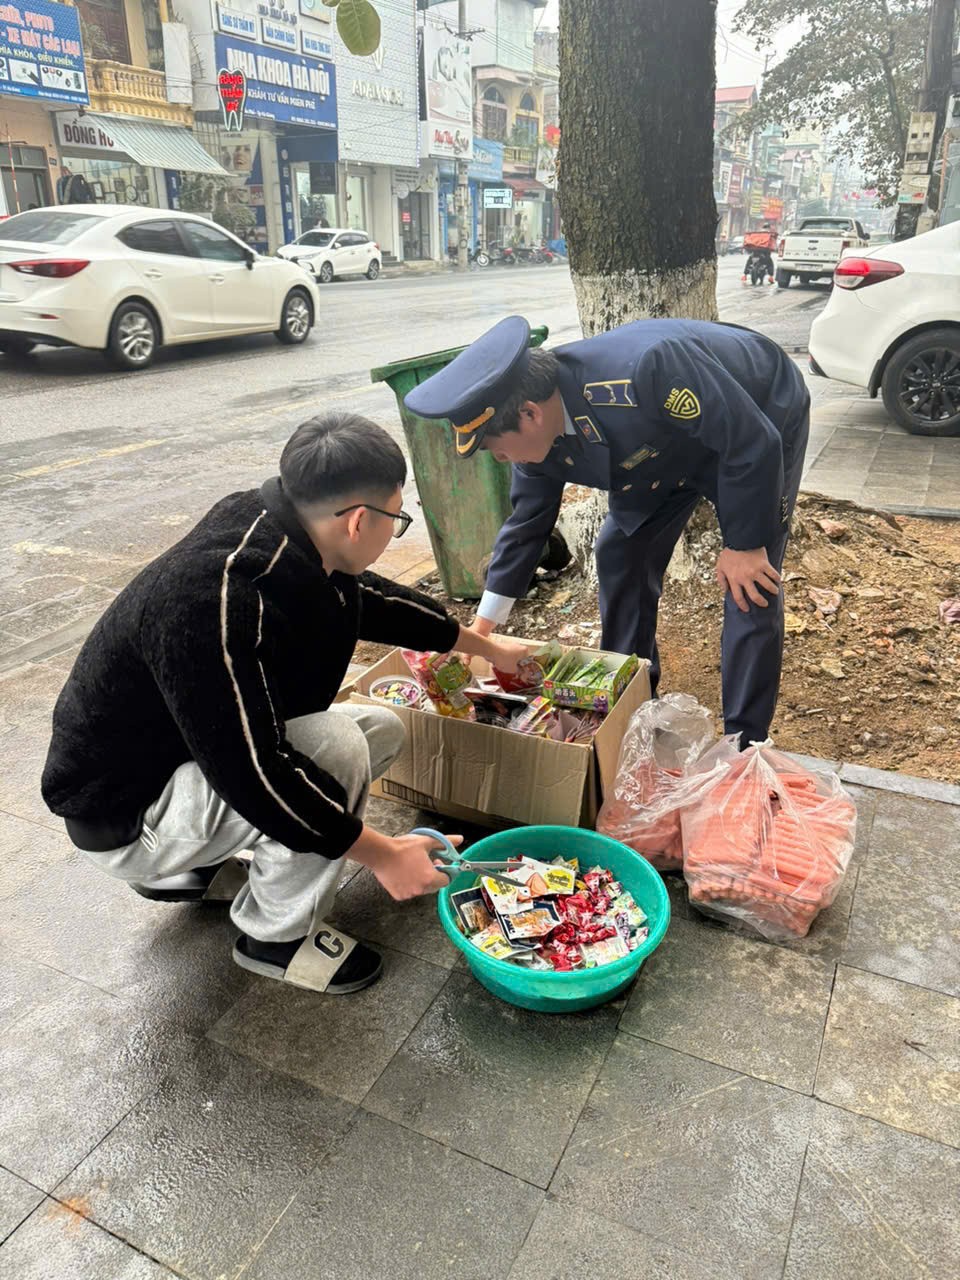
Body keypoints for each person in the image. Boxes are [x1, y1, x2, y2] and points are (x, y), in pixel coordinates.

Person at [41, 413, 526, 996]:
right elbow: (253, 773)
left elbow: (368, 599)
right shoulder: (209, 602)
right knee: (337, 752)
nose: (394, 531)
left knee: (377, 729)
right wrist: (383, 855)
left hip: (172, 766)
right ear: (357, 521)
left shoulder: (284, 527)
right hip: (125, 817)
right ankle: (273, 937)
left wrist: (485, 643)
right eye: (397, 521)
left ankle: (193, 871)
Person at [404, 316, 810, 749]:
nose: (502, 460)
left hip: (756, 421)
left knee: (749, 583)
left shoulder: (647, 369)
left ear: (530, 413)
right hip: (659, 454)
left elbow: (750, 441)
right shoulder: (536, 436)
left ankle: (745, 747)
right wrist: (480, 631)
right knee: (620, 554)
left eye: (497, 449)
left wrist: (745, 545)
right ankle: (629, 701)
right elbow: (526, 524)